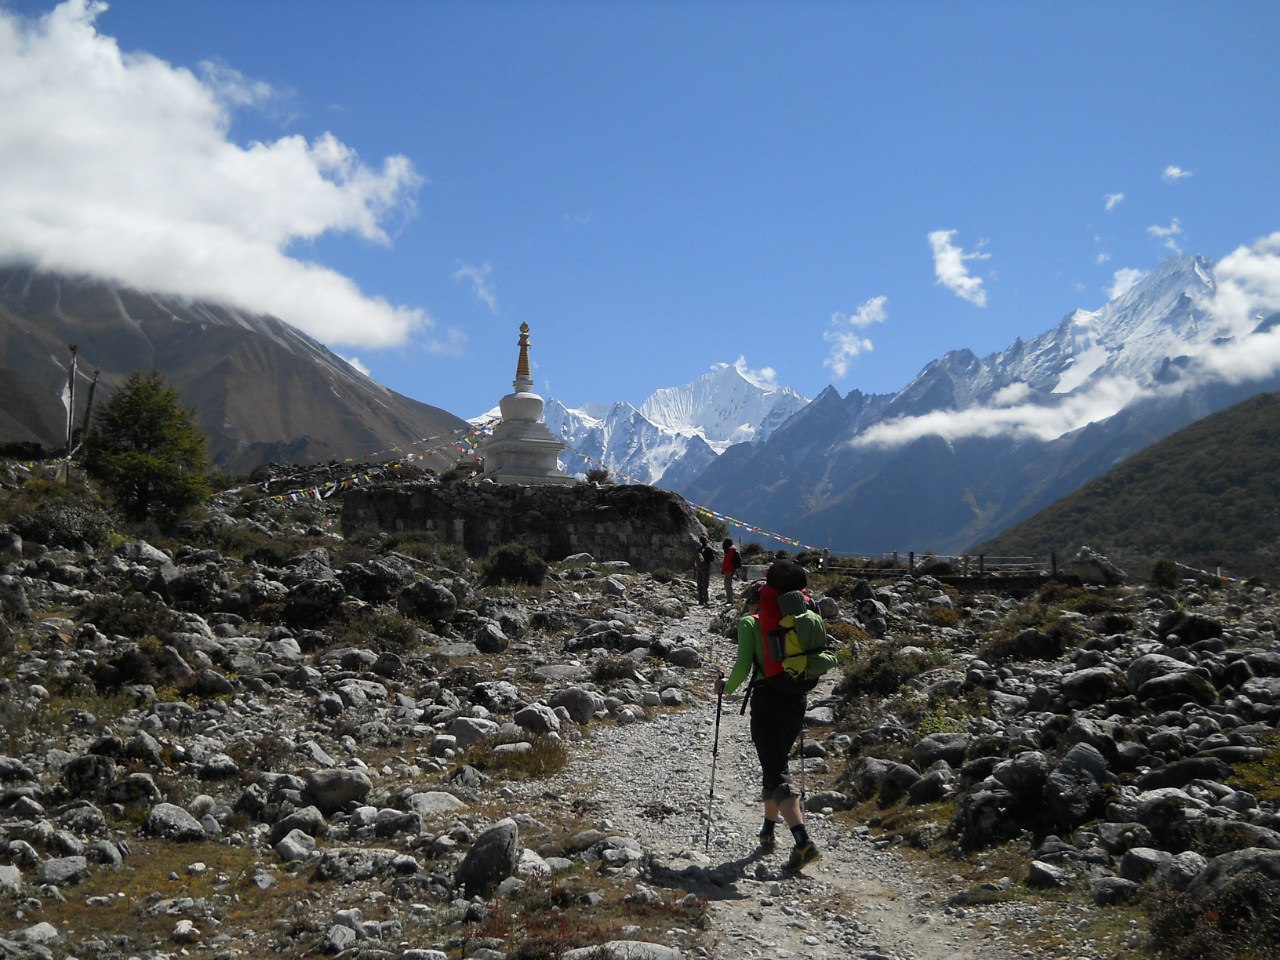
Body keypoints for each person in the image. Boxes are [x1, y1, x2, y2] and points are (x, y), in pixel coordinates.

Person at [715, 574, 821, 871]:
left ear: (754, 603)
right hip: (797, 699)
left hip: (767, 701)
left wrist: (726, 687)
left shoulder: (750, 623)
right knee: (775, 765)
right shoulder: (798, 620)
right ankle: (767, 832)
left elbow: (743, 665)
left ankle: (802, 842)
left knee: (776, 770)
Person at [693, 535, 714, 606]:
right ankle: (706, 600)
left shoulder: (698, 549)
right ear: (705, 541)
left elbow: (695, 559)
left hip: (699, 568)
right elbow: (712, 559)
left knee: (699, 583)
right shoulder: (708, 549)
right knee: (705, 584)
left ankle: (700, 600)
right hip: (705, 568)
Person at [721, 537, 741, 603]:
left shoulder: (730, 551)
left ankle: (730, 600)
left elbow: (727, 561)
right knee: (728, 584)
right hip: (730, 569)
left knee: (727, 585)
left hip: (729, 569)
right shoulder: (732, 550)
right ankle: (730, 599)